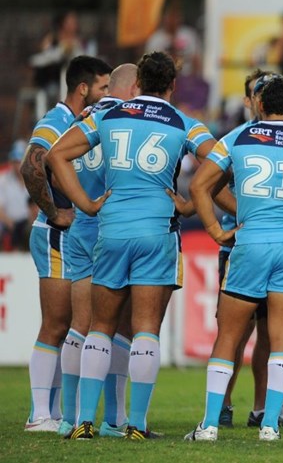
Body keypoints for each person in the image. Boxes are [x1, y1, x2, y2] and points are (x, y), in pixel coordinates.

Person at [47, 51, 216, 440]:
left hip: (112, 230)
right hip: (156, 232)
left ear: (137, 83)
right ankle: (135, 424)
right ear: (172, 85)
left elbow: (56, 155)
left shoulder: (107, 116)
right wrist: (191, 203)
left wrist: (85, 204)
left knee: (100, 327)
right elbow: (222, 162)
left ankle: (83, 421)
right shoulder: (185, 123)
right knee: (145, 329)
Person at [184, 75, 283, 442]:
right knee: (281, 340)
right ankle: (269, 425)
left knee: (228, 337)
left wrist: (215, 231)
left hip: (249, 244)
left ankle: (209, 425)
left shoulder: (236, 138)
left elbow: (199, 185)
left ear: (259, 105)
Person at [20, 55, 111, 432]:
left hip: (76, 234)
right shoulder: (56, 121)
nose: (107, 93)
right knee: (57, 324)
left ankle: (55, 412)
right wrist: (54, 212)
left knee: (74, 324)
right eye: (103, 86)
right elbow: (31, 165)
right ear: (83, 88)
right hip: (55, 232)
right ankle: (39, 414)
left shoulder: (86, 121)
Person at [57, 63, 138, 438]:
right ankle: (115, 419)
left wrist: (79, 203)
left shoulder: (83, 117)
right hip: (112, 226)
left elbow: (55, 160)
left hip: (81, 226)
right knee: (117, 325)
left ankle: (69, 417)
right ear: (134, 88)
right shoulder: (125, 120)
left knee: (81, 323)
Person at [0, 140, 31, 250]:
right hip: (9, 224)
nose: (18, 165)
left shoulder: (34, 179)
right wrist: (11, 224)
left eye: (20, 161)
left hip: (29, 224)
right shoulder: (3, 180)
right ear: (11, 162)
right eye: (16, 162)